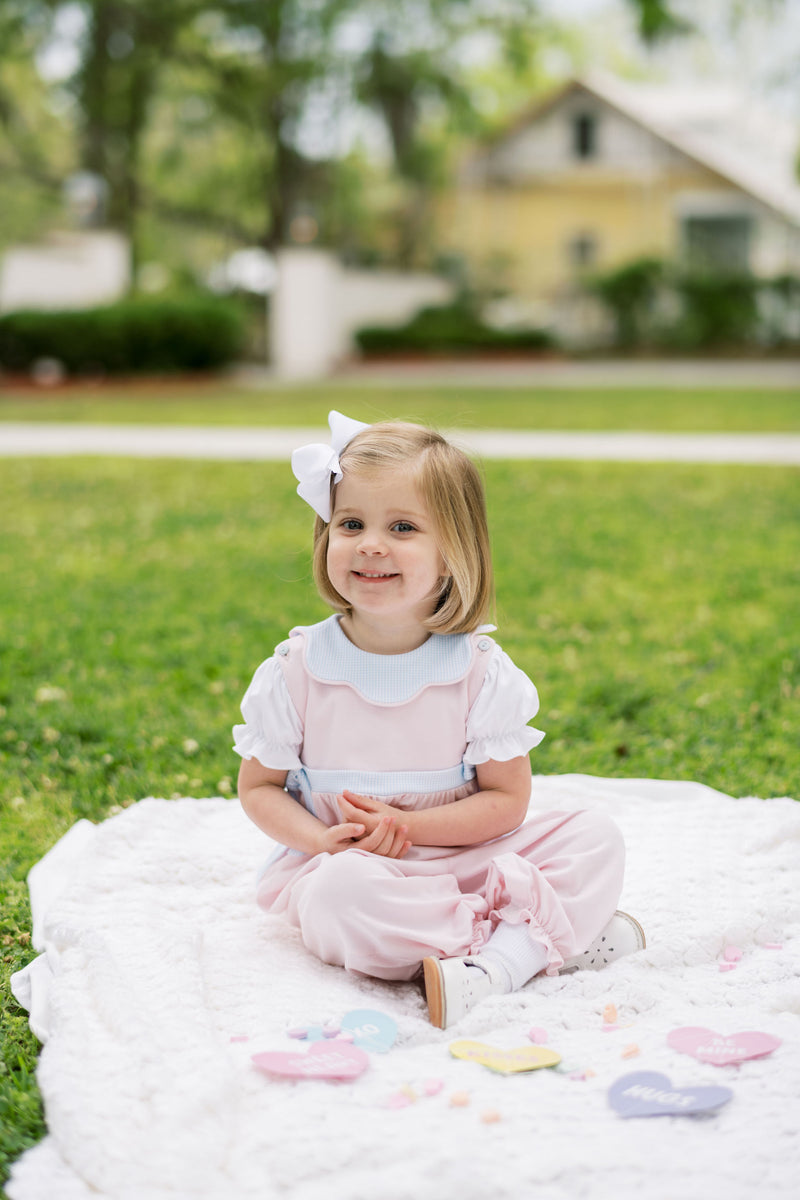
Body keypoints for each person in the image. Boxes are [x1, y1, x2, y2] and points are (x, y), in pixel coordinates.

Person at [235, 411, 644, 1029]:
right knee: (335, 901)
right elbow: (260, 787)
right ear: (325, 540)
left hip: (463, 856)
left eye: (402, 526)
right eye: (351, 523)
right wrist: (319, 840)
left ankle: (487, 964)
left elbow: (506, 802)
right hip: (357, 869)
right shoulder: (298, 668)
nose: (370, 543)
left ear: (453, 553)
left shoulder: (478, 669)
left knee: (593, 837)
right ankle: (523, 945)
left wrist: (412, 824)